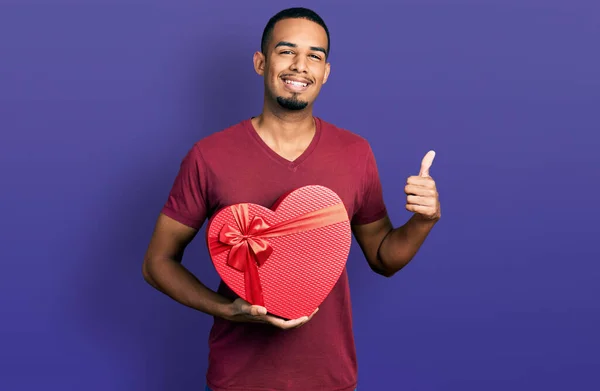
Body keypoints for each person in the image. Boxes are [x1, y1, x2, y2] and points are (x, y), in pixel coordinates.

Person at [142, 7, 441, 391]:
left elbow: (383, 257)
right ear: (261, 62)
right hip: (237, 380)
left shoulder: (355, 153)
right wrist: (228, 311)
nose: (300, 66)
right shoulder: (209, 155)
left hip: (329, 378)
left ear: (325, 72)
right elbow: (157, 263)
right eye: (286, 52)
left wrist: (424, 219)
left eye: (314, 56)